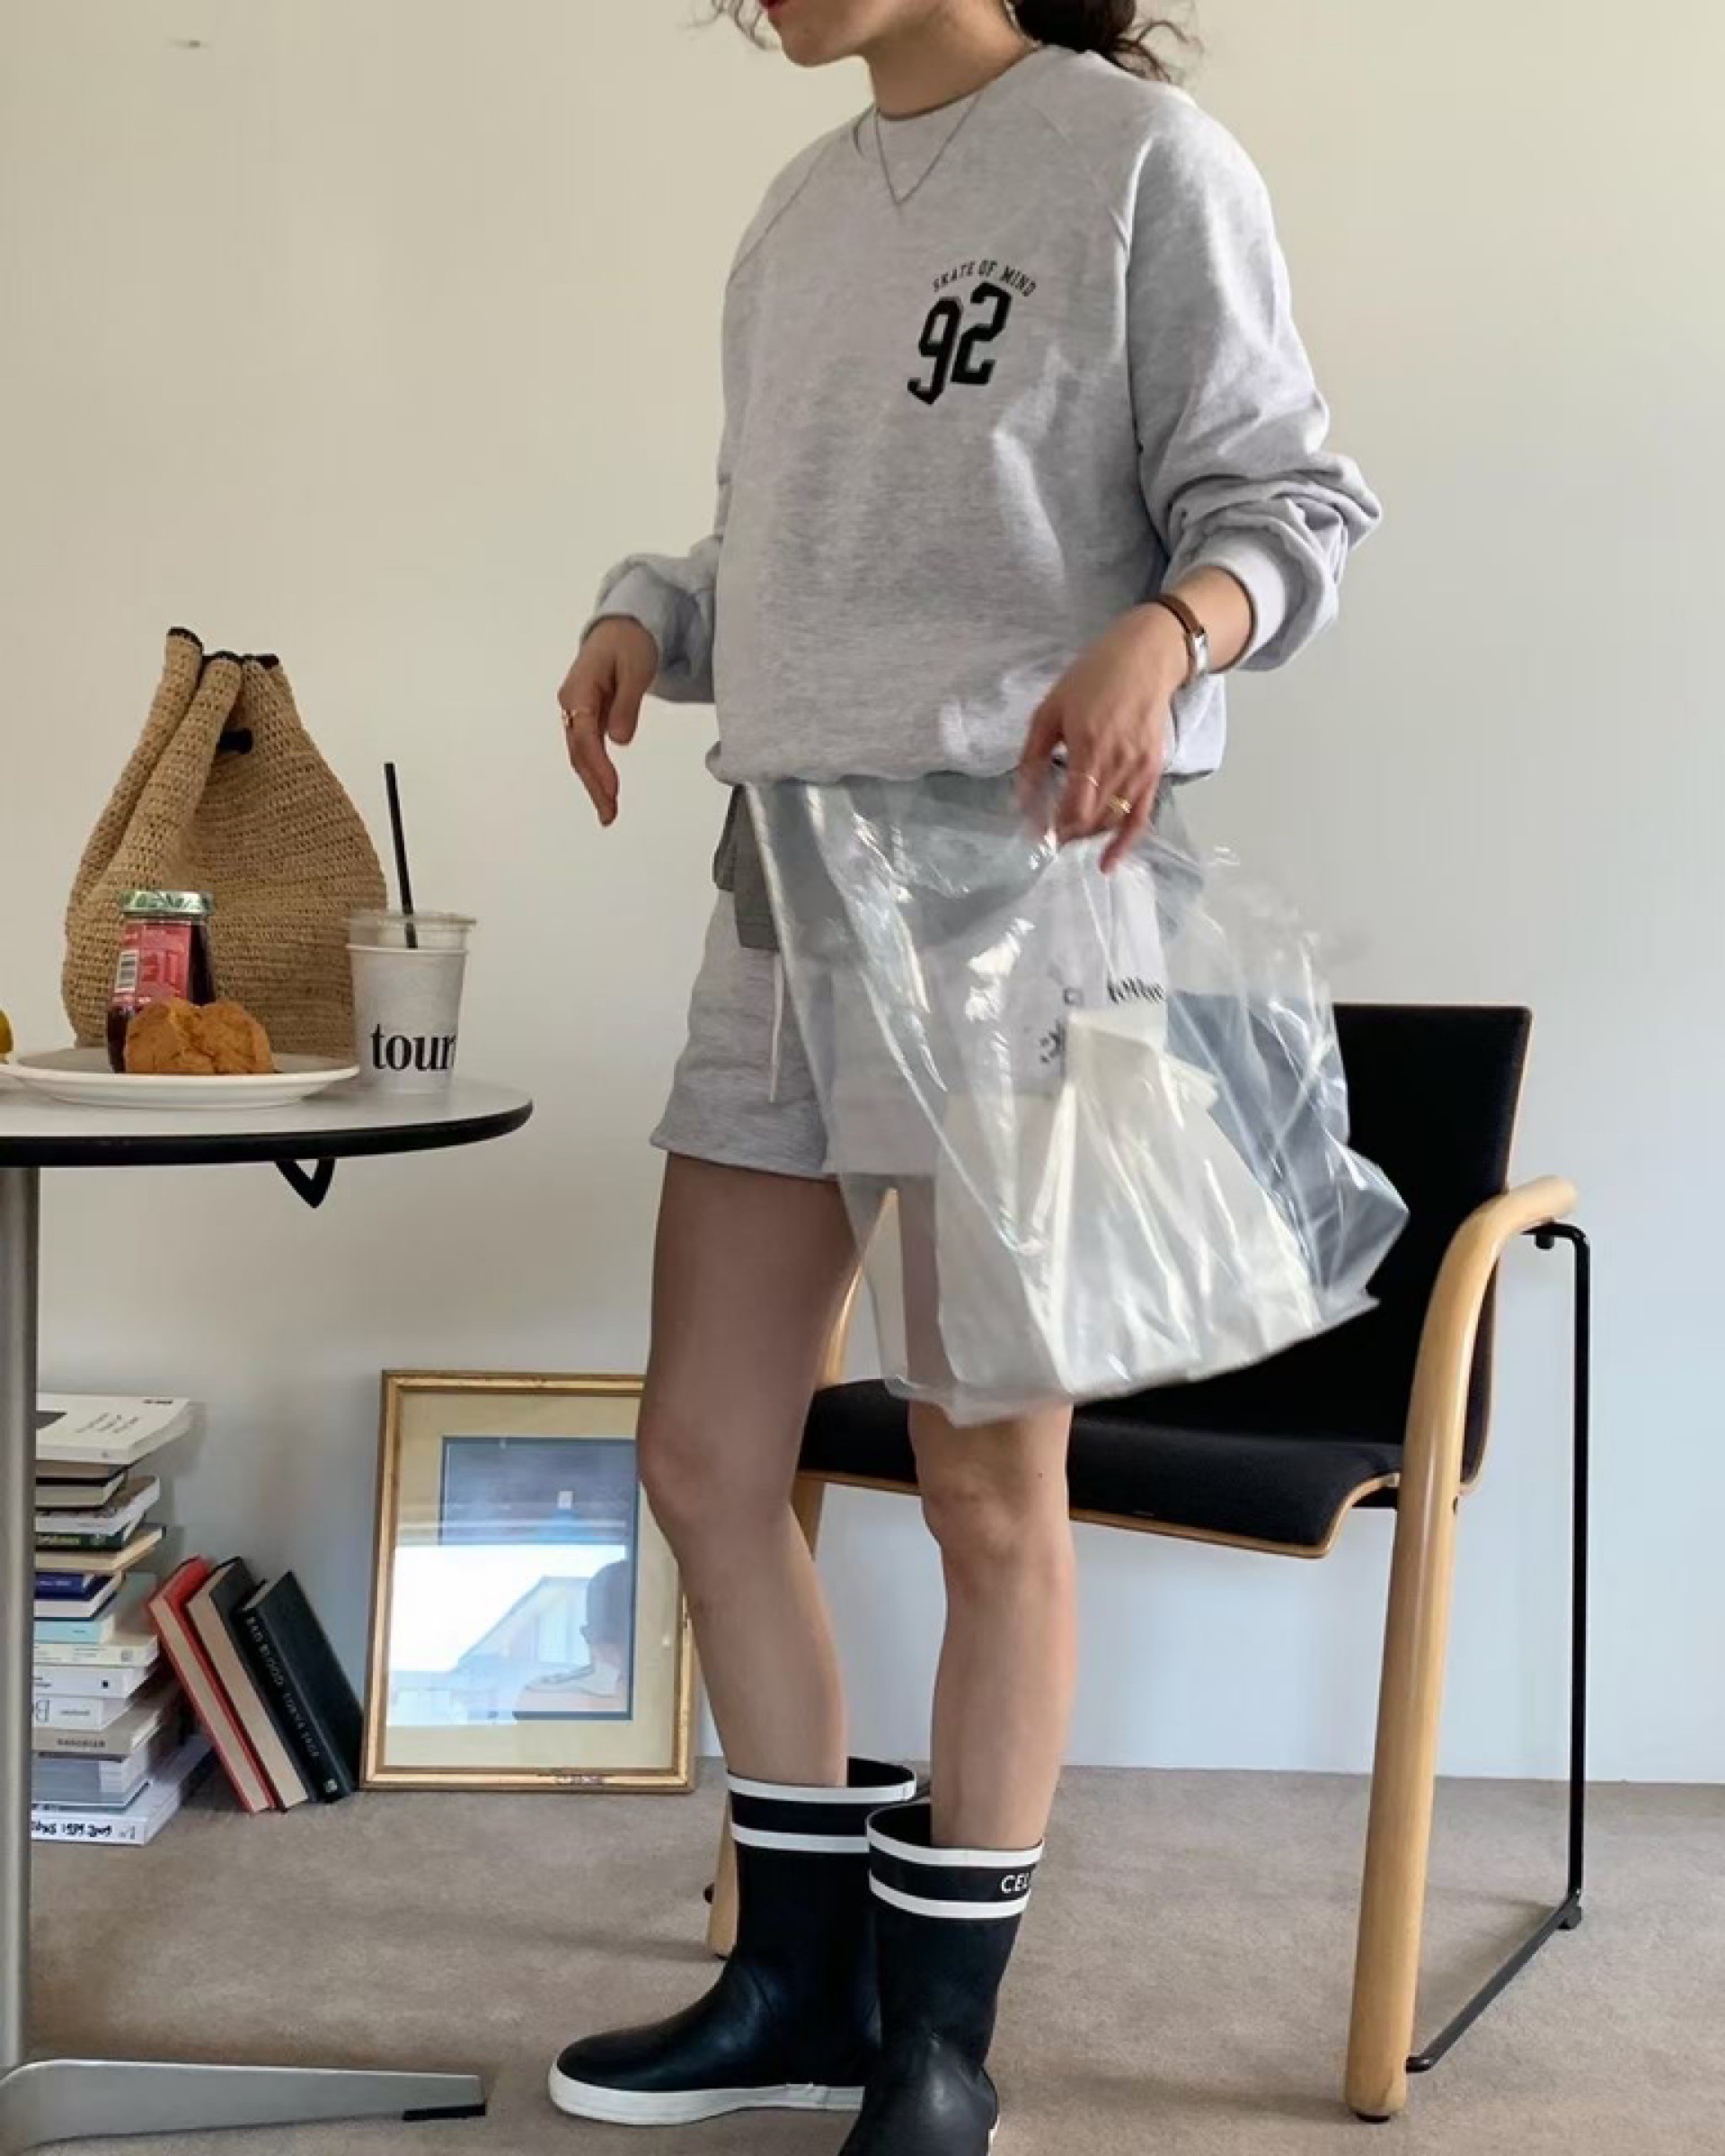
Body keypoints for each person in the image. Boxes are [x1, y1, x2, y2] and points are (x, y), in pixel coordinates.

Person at [552, 3, 1378, 2149]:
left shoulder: (1136, 163)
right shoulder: (796, 216)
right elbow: (805, 557)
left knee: (992, 1491)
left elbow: (1292, 498)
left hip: (1001, 909)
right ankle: (795, 1985)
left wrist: (1169, 630)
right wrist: (654, 617)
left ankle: (941, 2044)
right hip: (776, 897)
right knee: (703, 1456)